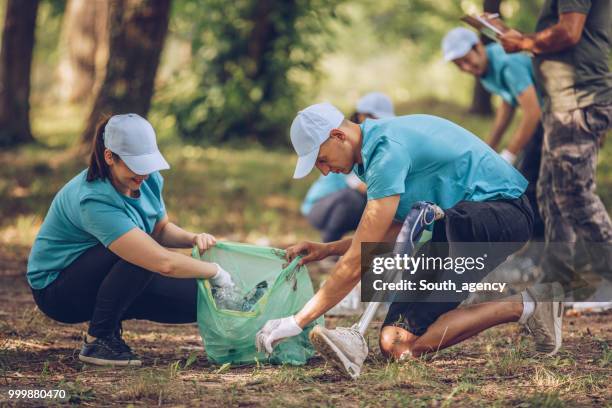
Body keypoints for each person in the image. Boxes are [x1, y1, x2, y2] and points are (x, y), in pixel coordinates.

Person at [255, 102, 564, 378]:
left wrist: (297, 320)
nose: (324, 172)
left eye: (322, 160)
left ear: (338, 136)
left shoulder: (387, 152)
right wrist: (328, 249)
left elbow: (356, 262)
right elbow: (390, 232)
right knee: (397, 343)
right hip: (458, 222)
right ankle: (530, 306)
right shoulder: (369, 156)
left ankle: (530, 304)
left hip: (502, 213)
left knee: (409, 318)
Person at [27, 114, 234, 366]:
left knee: (199, 301)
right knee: (142, 253)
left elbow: (160, 229)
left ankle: (112, 316)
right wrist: (214, 272)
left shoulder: (147, 178)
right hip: (58, 290)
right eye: (136, 165)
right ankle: (98, 340)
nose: (143, 175)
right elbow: (161, 261)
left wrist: (192, 238)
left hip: (113, 270)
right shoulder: (93, 198)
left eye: (147, 164)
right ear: (109, 157)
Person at [500, 0, 612, 311]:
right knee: (550, 191)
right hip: (563, 105)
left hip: (579, 102)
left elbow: (569, 32)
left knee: (573, 192)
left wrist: (522, 42)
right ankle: (558, 280)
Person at [442, 27, 545, 243]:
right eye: (459, 65)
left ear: (478, 47)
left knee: (527, 181)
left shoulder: (507, 62)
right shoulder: (486, 70)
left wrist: (509, 153)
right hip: (542, 120)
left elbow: (533, 111)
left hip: (552, 118)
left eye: (467, 60)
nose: (466, 67)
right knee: (531, 180)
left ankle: (536, 246)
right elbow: (508, 103)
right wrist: (487, 148)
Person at [302, 92, 394, 243]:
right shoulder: (350, 146)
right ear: (362, 116)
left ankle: (367, 253)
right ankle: (328, 246)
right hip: (322, 206)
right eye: (375, 118)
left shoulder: (379, 144)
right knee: (358, 199)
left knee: (382, 204)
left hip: (350, 203)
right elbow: (362, 186)